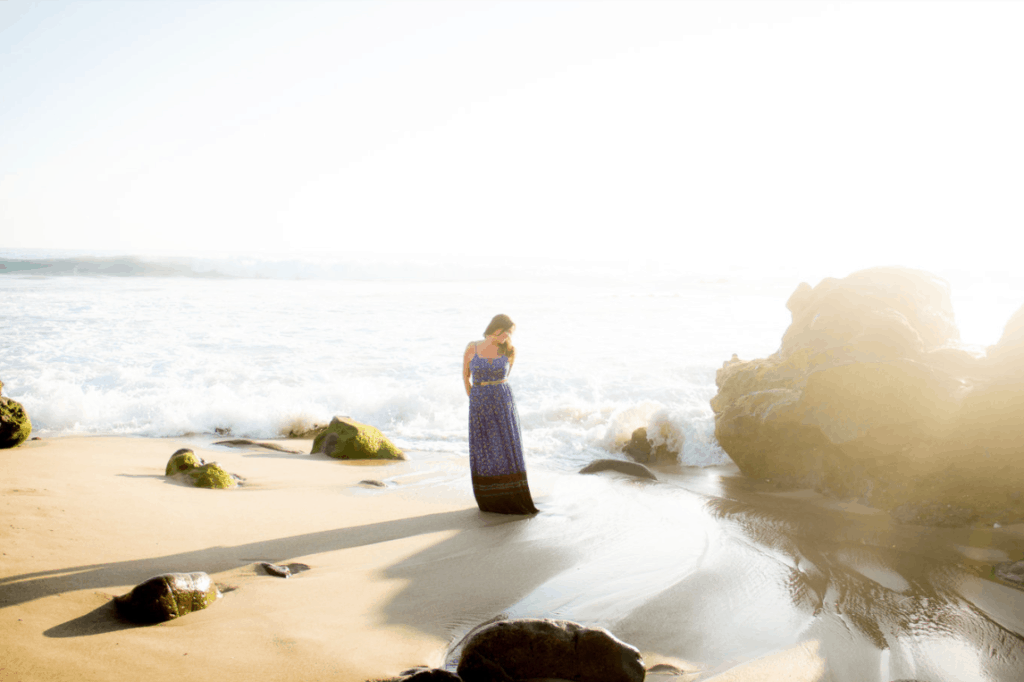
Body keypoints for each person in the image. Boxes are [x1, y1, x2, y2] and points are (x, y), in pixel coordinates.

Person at [462, 314, 538, 515]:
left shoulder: (510, 350)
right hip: (479, 401)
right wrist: (474, 397)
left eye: (510, 333)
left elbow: (505, 376)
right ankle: (489, 499)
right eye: (505, 332)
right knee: (484, 447)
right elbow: (465, 375)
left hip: (502, 401)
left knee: (505, 445)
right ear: (495, 328)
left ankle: (511, 495)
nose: (507, 336)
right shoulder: (472, 347)